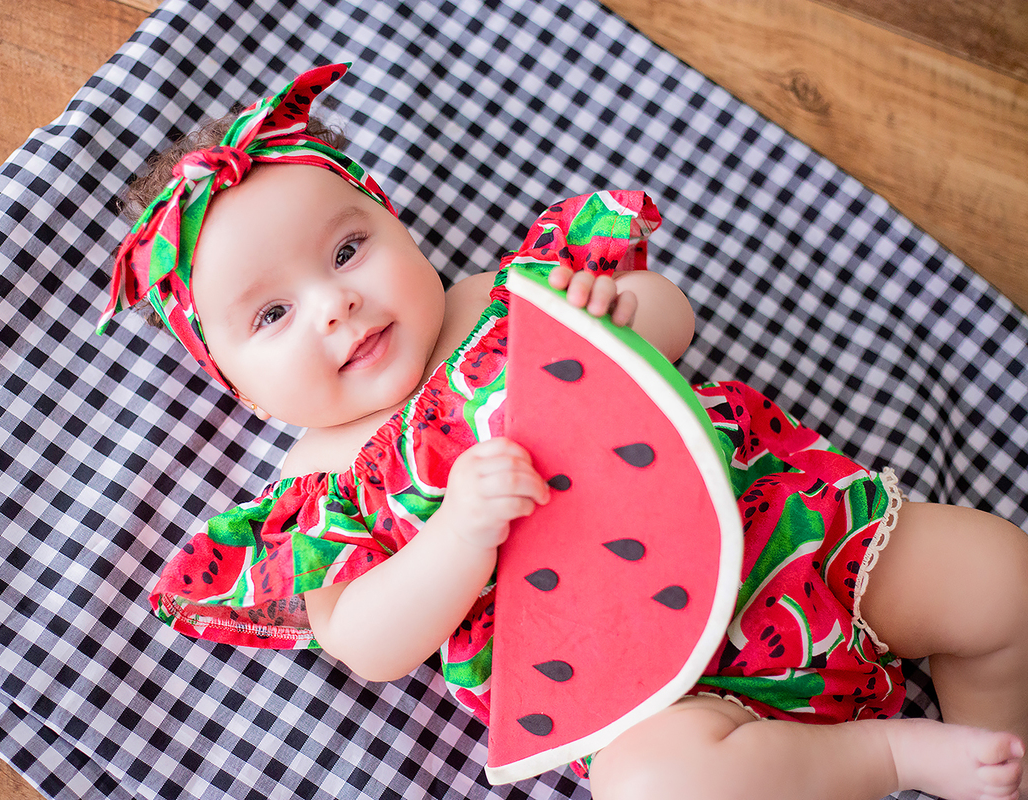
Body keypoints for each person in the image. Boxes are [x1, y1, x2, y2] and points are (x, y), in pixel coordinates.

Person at [98, 63, 1028, 800]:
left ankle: (1000, 752)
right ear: (240, 390)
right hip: (648, 700)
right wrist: (459, 537)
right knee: (661, 790)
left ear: (399, 227)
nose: (335, 303)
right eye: (271, 317)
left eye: (348, 250)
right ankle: (893, 757)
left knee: (1000, 579)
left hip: (781, 540)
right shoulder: (320, 492)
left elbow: (672, 323)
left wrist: (622, 314)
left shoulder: (509, 298)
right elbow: (369, 643)